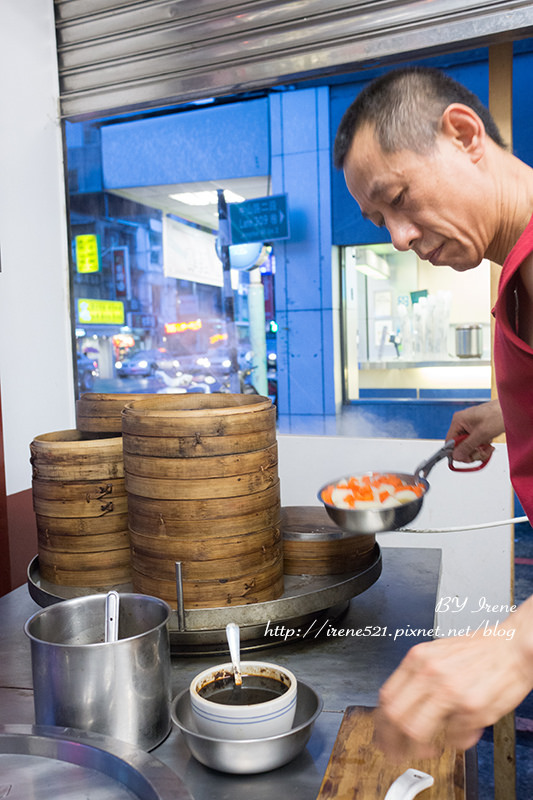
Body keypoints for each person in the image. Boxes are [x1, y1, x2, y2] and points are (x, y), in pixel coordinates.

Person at [334, 66, 533, 759]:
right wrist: (502, 410)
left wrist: (516, 645)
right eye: (376, 220)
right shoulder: (514, 266)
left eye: (397, 198)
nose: (395, 237)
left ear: (461, 134)